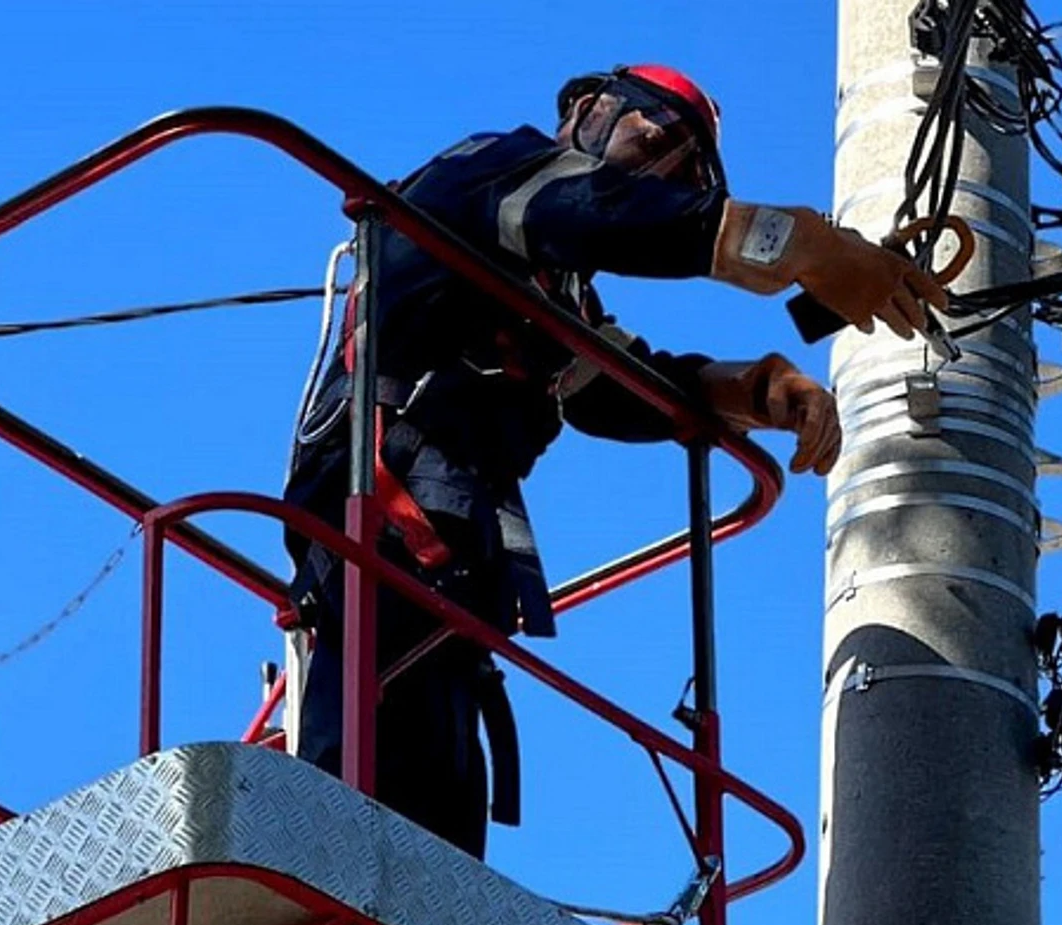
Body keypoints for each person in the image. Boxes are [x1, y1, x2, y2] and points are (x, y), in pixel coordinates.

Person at [284, 63, 949, 859]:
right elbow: (603, 212)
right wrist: (798, 244)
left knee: (439, 774)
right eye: (658, 140)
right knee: (373, 737)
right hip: (381, 495)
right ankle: (322, 879)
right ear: (591, 111)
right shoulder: (499, 171)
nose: (666, 173)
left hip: (452, 534)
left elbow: (620, 386)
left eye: (688, 170)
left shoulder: (549, 285)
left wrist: (758, 389)